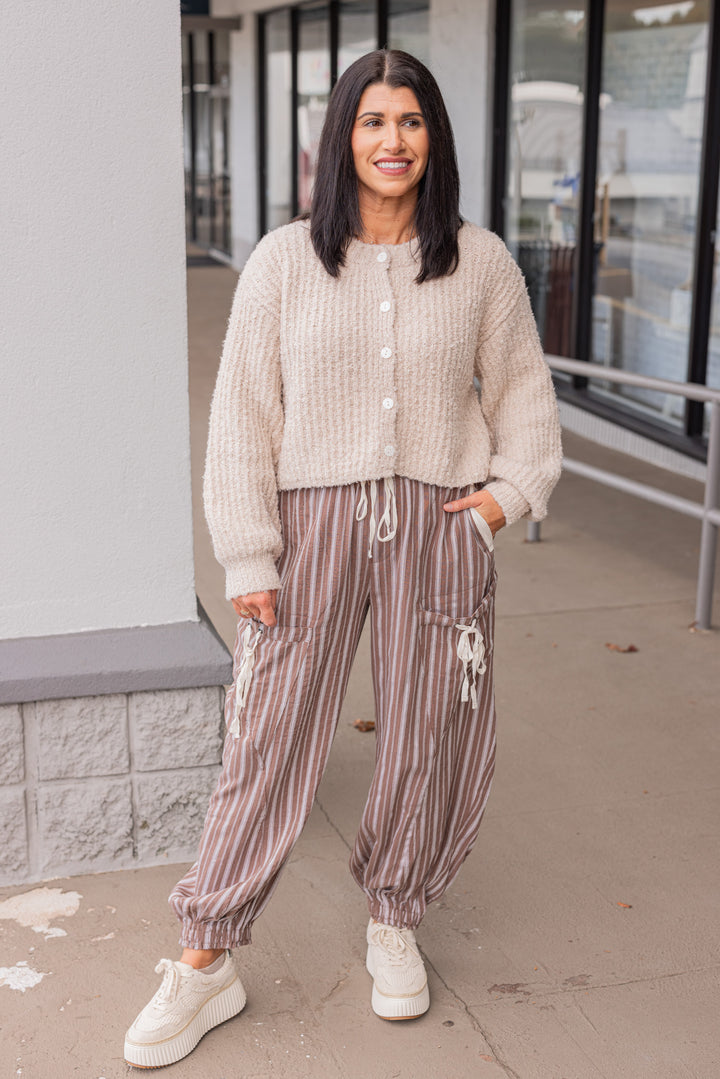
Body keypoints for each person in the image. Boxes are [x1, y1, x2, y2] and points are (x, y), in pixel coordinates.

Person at [124, 48, 562, 1069]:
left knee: (424, 728)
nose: (392, 140)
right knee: (268, 736)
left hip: (437, 522)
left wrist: (500, 502)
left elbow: (525, 398)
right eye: (373, 122)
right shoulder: (284, 262)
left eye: (410, 122)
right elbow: (242, 413)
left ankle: (395, 915)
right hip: (307, 527)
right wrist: (247, 553)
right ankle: (204, 955)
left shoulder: (480, 262)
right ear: (341, 139)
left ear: (433, 139)